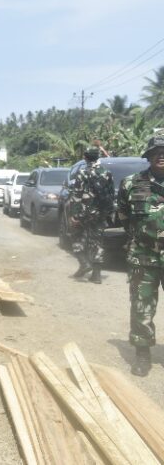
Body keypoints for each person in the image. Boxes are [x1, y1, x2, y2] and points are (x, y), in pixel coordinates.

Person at [117, 133, 164, 377]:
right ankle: (143, 354)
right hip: (144, 257)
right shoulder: (131, 184)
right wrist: (143, 236)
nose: (162, 156)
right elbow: (124, 215)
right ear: (148, 156)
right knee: (142, 306)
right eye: (157, 152)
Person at [70, 146, 114, 284]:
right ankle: (96, 275)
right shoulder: (107, 173)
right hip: (100, 213)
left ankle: (84, 263)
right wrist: (107, 212)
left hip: (83, 212)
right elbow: (111, 194)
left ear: (85, 157)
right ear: (98, 157)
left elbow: (77, 195)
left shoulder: (82, 172)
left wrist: (74, 215)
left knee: (76, 237)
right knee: (97, 242)